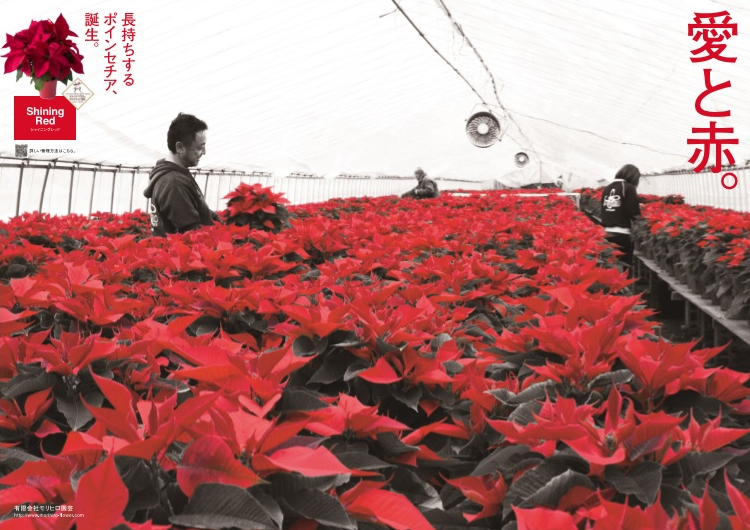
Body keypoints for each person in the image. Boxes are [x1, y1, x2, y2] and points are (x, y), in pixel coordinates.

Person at [144, 113, 221, 236]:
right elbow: (192, 233)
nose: (204, 152)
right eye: (199, 147)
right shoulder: (174, 183)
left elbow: (198, 207)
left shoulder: (176, 174)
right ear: (180, 147)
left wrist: (218, 220)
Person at [600, 163, 641, 270]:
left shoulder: (607, 188)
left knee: (610, 266)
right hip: (623, 235)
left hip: (606, 233)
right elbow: (634, 212)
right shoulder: (628, 187)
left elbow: (603, 210)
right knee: (623, 267)